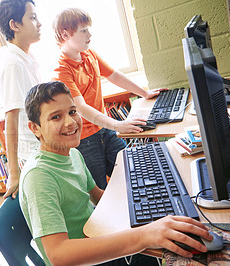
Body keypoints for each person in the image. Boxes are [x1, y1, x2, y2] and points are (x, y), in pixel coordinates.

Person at [19, 80, 212, 266]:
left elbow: (98, 198)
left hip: (97, 237)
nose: (71, 122)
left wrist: (147, 200)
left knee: (177, 233)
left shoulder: (73, 154)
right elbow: (59, 256)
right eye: (56, 117)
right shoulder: (39, 176)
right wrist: (144, 234)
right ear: (35, 128)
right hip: (85, 259)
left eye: (72, 112)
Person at [53, 8, 167, 189]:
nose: (89, 34)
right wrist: (117, 124)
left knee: (133, 169)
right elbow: (81, 108)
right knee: (99, 190)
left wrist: (144, 93)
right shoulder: (60, 71)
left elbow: (114, 76)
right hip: (84, 139)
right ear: (65, 34)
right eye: (83, 30)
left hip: (104, 129)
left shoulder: (89, 54)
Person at [0, 0, 42, 198]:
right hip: (33, 154)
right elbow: (11, 120)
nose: (39, 23)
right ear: (15, 25)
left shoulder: (26, 59)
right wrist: (14, 173)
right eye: (32, 17)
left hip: (42, 147)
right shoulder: (13, 63)